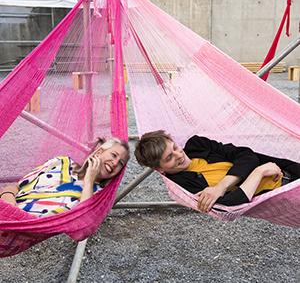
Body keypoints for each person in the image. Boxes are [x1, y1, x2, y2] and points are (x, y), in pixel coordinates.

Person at [134, 130, 300, 212]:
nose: (179, 155)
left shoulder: (198, 145)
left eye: (175, 147)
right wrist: (259, 172)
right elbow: (231, 204)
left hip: (289, 171)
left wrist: (221, 187)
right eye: (169, 157)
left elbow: (246, 155)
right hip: (283, 196)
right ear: (160, 169)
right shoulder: (183, 185)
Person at [0, 137, 129, 217]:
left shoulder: (97, 195)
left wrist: (90, 179)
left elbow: (82, 220)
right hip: (6, 209)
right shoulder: (61, 162)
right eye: (114, 155)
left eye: (121, 163)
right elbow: (16, 186)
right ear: (100, 151)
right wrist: (9, 203)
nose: (115, 163)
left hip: (22, 226)